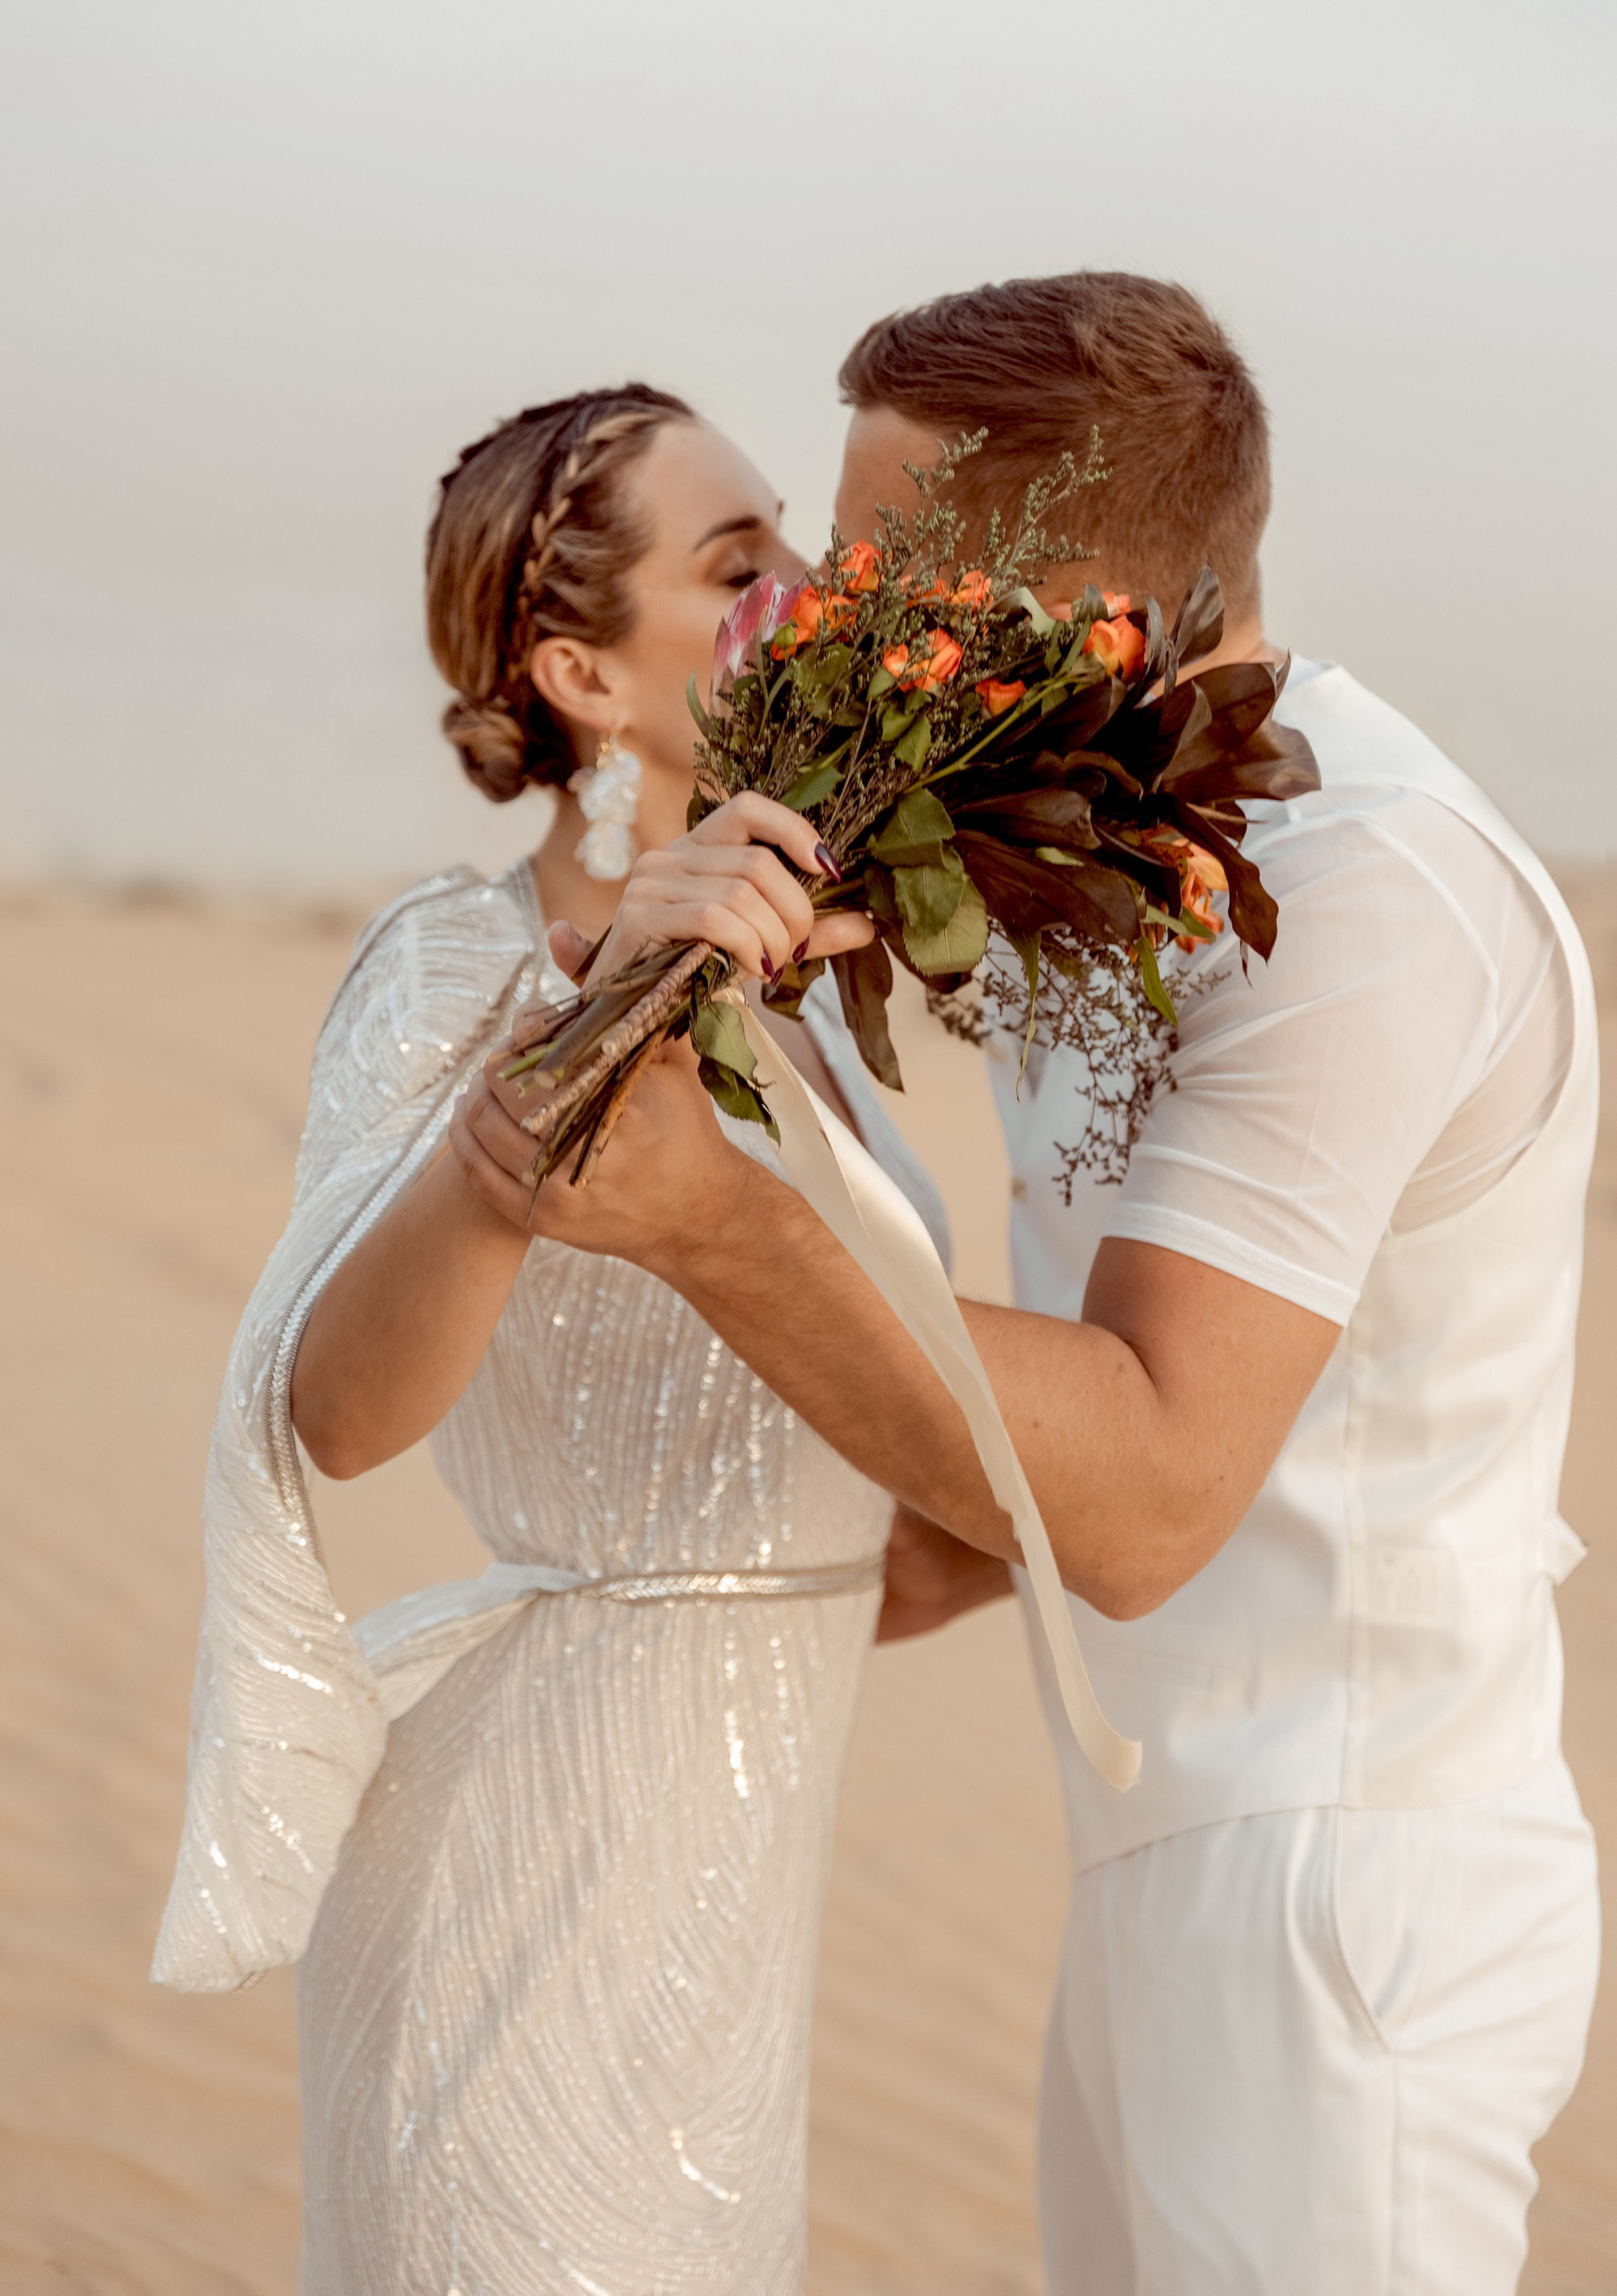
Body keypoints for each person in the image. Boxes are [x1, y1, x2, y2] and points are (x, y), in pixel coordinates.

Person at [458, 277, 1602, 2295]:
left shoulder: (1362, 897)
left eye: (889, 571)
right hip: (1166, 1840)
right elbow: (1041, 1441)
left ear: (1099, 605)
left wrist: (714, 1218)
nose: (827, 615)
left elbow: (1148, 1486)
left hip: (1343, 1893)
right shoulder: (1094, 830)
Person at [152, 383, 952, 2295]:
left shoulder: (822, 987)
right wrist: (578, 1044)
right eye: (733, 562)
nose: (802, 592)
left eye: (796, 546)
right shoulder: (465, 962)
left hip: (730, 1922)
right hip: (529, 1889)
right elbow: (333, 1413)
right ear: (580, 670)